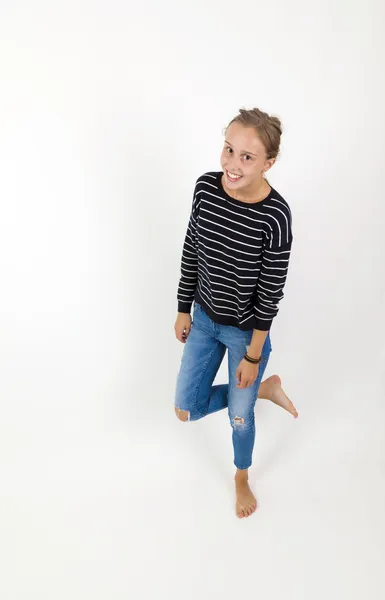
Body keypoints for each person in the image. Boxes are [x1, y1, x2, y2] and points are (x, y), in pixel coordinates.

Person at [173, 107, 298, 519]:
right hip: (205, 321)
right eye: (229, 149)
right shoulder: (205, 189)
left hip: (245, 335)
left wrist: (252, 356)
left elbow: (269, 294)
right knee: (185, 409)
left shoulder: (275, 217)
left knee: (240, 420)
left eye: (247, 156)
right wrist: (182, 307)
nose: (232, 163)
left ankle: (241, 476)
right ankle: (264, 389)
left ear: (269, 163)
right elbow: (192, 249)